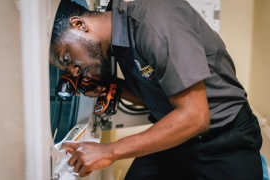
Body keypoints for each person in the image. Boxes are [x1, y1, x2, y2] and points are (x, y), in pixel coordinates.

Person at [49, 0, 263, 179]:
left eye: (66, 57)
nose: (73, 70)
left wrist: (109, 151)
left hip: (225, 140)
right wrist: (113, 86)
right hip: (180, 139)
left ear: (79, 24)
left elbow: (195, 117)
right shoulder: (118, 44)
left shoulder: (153, 22)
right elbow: (160, 99)